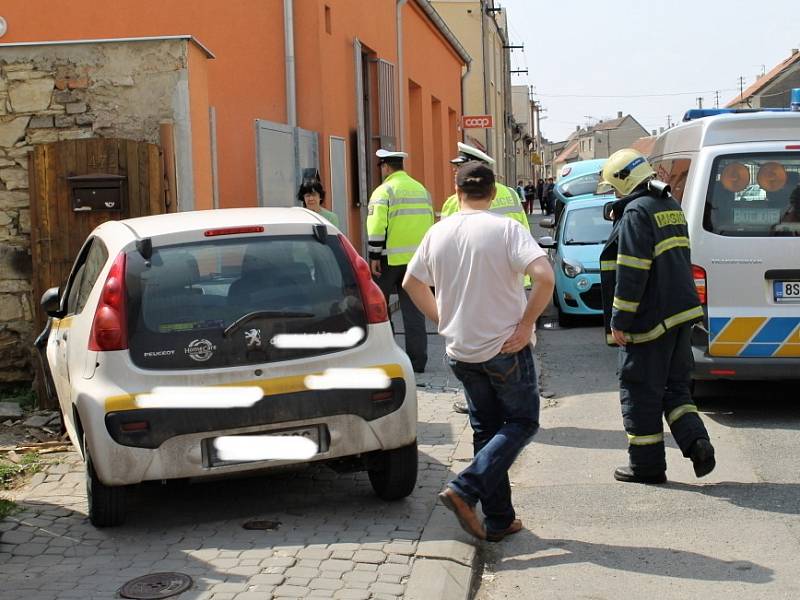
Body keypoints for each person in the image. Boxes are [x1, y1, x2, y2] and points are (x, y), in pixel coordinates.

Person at [403, 161, 554, 542]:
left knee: (486, 429)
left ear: (456, 192)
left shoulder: (438, 233)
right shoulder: (507, 229)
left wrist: (442, 318)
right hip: (505, 347)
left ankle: (500, 518)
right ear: (493, 193)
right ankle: (465, 489)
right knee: (522, 423)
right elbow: (545, 277)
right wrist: (526, 325)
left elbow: (411, 282)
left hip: (461, 352)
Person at [598, 148, 715, 484]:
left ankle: (646, 466)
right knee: (675, 389)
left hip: (649, 321)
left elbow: (632, 271)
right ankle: (698, 444)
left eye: (614, 187)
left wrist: (619, 320)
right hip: (680, 316)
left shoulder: (636, 211)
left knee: (638, 391)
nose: (614, 194)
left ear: (623, 182)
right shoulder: (668, 205)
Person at [440, 142, 532, 413]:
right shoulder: (511, 195)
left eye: (459, 168)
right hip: (512, 282)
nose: (455, 172)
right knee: (511, 343)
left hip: (471, 287)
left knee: (475, 349)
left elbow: (449, 246)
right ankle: (509, 399)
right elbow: (524, 230)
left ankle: (478, 403)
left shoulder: (453, 202)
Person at [366, 149, 434, 373]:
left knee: (380, 310)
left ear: (385, 167)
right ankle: (417, 363)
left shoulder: (383, 190)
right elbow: (429, 223)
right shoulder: (421, 190)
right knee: (414, 313)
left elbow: (376, 226)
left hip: (387, 262)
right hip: (416, 263)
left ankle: (387, 357)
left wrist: (374, 255)